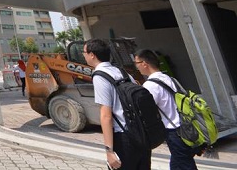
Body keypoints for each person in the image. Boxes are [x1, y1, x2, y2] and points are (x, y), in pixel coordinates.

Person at [85, 39, 151, 170]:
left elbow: (106, 116)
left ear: (92, 54)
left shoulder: (99, 76)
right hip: (140, 135)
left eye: (84, 52)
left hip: (123, 138)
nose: (84, 55)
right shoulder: (123, 72)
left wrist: (109, 151)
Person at [135, 49, 198, 170]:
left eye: (136, 63)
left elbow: (147, 111)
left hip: (173, 131)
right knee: (178, 164)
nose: (137, 67)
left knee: (185, 165)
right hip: (186, 127)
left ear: (144, 63)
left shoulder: (150, 85)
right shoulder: (169, 78)